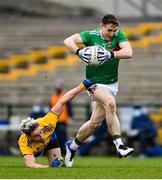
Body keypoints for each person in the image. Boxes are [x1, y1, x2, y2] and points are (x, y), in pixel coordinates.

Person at [63, 13, 134, 167]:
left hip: (112, 84)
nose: (113, 33)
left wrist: (110, 54)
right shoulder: (91, 35)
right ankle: (120, 145)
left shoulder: (119, 35)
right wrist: (79, 52)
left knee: (94, 124)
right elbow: (67, 41)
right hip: (93, 83)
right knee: (110, 103)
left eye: (115, 30)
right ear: (102, 27)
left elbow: (129, 52)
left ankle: (72, 146)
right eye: (109, 30)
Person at [18, 79, 95, 168]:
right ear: (28, 136)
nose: (41, 136)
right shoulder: (24, 142)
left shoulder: (47, 122)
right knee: (47, 164)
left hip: (50, 138)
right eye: (36, 136)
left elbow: (63, 101)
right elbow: (31, 164)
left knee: (58, 165)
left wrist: (82, 86)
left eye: (40, 132)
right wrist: (48, 167)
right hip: (35, 150)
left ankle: (60, 158)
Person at [50, 79, 74, 156]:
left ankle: (64, 153)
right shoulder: (53, 96)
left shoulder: (64, 95)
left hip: (62, 120)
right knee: (55, 137)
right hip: (54, 120)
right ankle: (56, 153)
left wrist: (70, 117)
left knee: (62, 137)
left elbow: (69, 107)